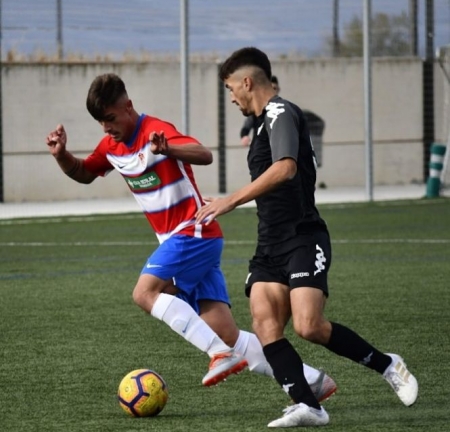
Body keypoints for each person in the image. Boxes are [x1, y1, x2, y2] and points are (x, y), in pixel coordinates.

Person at [45, 73, 337, 400]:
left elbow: (203, 154)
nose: (106, 127)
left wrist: (167, 148)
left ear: (128, 107)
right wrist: (61, 156)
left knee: (144, 293)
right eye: (100, 122)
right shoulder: (110, 146)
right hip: (184, 242)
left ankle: (218, 354)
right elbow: (85, 173)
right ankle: (311, 380)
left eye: (111, 118)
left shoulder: (155, 130)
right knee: (228, 334)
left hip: (193, 231)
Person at [195, 47, 418, 428]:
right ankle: (310, 406)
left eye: (231, 88)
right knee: (265, 324)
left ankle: (388, 364)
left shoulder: (281, 112)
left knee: (308, 325)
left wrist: (231, 199)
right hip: (269, 243)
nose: (231, 97)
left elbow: (285, 168)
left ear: (247, 82)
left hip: (303, 236)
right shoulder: (261, 123)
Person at [240, 75, 280, 147]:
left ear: (278, 90)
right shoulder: (257, 110)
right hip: (260, 147)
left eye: (274, 88)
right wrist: (244, 136)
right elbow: (246, 127)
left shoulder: (283, 109)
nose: (272, 92)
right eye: (270, 89)